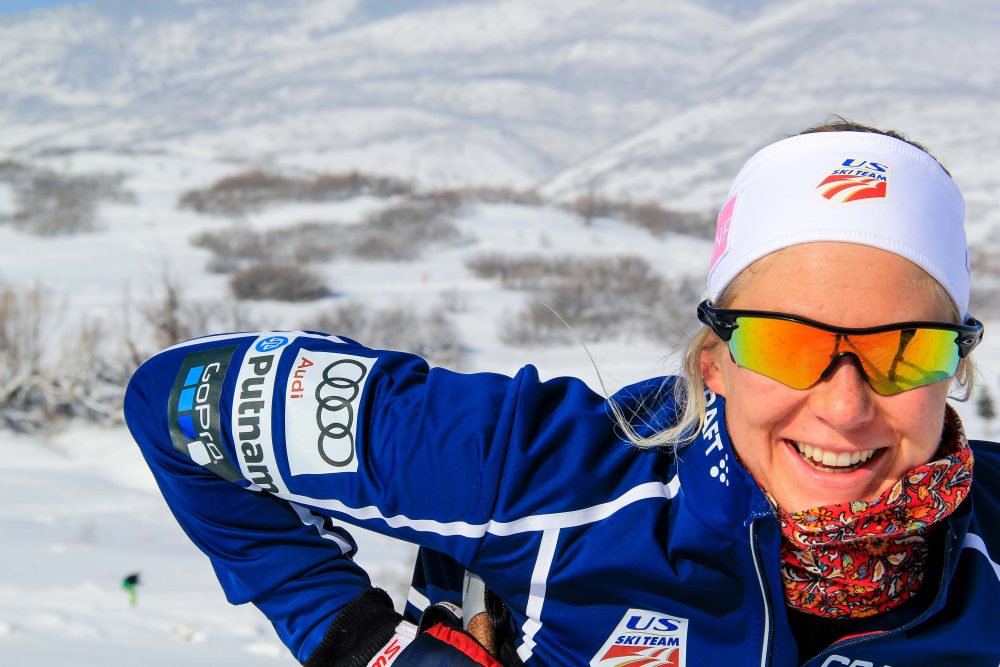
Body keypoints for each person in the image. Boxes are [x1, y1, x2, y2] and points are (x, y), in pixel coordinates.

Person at [124, 122, 1000, 666]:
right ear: (713, 361)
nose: (844, 406)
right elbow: (185, 400)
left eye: (905, 352)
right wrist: (357, 640)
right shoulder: (548, 474)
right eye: (788, 342)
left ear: (953, 369)